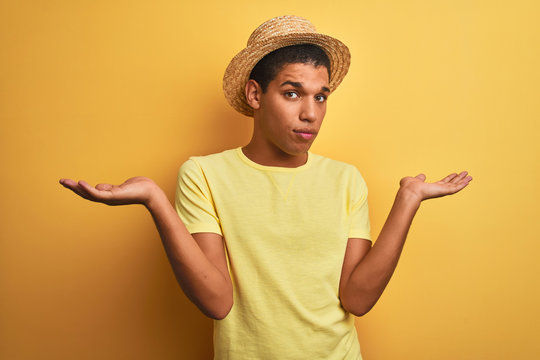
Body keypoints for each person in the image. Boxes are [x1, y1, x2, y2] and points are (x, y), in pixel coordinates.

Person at [60, 15, 472, 360]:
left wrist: (407, 202)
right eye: (292, 93)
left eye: (321, 97)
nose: (310, 113)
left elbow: (357, 300)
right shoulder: (204, 174)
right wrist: (155, 201)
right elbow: (217, 302)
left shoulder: (345, 179)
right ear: (255, 94)